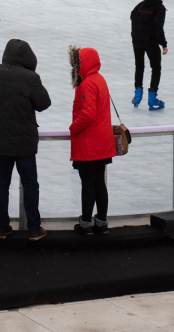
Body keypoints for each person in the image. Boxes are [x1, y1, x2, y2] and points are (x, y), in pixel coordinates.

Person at [0, 39, 51, 241]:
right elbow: (44, 103)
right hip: (24, 142)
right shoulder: (30, 77)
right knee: (30, 184)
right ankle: (34, 229)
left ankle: (2, 228)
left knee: (1, 184)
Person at [69, 46, 117, 236]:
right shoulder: (100, 79)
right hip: (102, 143)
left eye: (76, 63)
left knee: (88, 184)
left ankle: (87, 223)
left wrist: (73, 129)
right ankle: (102, 222)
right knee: (99, 183)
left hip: (90, 145)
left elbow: (87, 115)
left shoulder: (87, 83)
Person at [130, 0, 168, 110]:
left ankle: (137, 95)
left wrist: (136, 33)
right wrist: (164, 44)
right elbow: (159, 27)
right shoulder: (160, 8)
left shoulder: (141, 4)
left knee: (139, 66)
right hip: (150, 41)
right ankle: (152, 98)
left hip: (137, 39)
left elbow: (132, 16)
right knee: (156, 67)